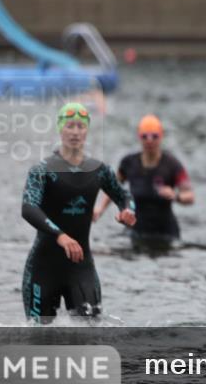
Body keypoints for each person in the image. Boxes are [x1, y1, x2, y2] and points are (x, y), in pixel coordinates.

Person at [21, 102, 136, 322]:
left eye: (80, 126)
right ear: (60, 128)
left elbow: (124, 196)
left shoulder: (99, 171)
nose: (75, 132)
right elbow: (28, 208)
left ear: (87, 130)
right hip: (43, 268)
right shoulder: (42, 170)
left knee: (90, 334)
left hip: (81, 268)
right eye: (70, 126)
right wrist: (60, 236)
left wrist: (127, 211)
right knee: (38, 340)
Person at [94, 114, 193, 247]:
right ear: (139, 137)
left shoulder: (172, 164)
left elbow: (190, 196)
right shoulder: (129, 162)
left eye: (154, 136)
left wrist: (176, 196)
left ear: (161, 136)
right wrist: (100, 209)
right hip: (137, 230)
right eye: (144, 136)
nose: (149, 140)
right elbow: (113, 188)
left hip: (165, 233)